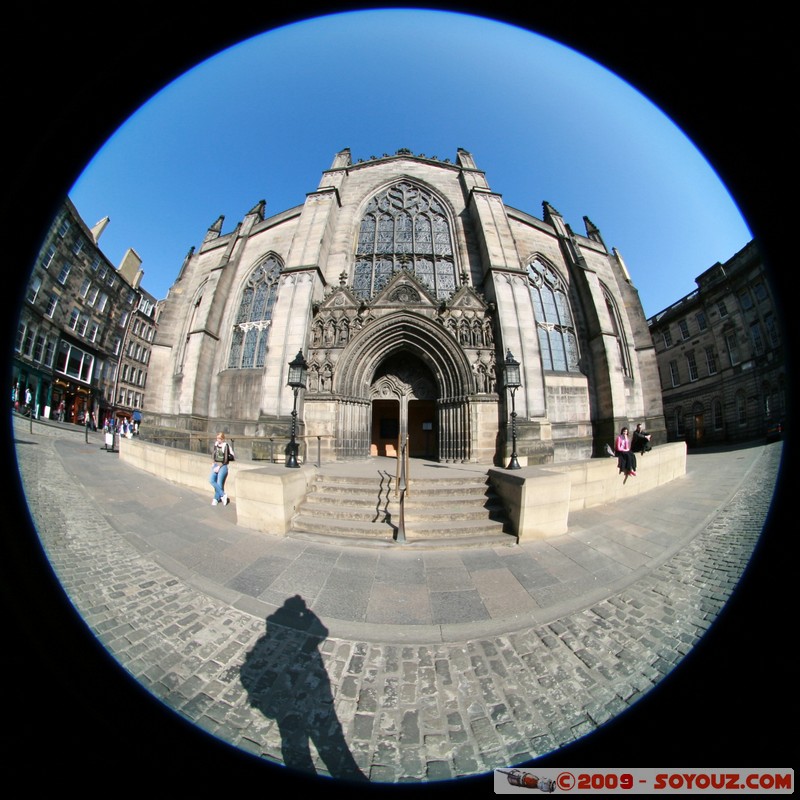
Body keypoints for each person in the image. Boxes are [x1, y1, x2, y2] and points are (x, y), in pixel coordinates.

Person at [209, 432, 232, 506]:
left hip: (223, 465)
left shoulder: (225, 446)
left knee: (219, 483)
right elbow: (214, 454)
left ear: (223, 439)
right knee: (211, 480)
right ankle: (223, 495)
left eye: (219, 438)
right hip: (216, 464)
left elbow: (225, 459)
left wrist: (219, 467)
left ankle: (215, 499)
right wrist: (213, 462)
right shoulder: (216, 444)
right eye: (217, 438)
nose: (218, 440)